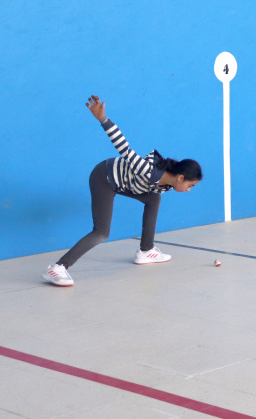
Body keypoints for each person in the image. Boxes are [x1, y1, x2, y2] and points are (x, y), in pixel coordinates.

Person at [42, 96, 202, 287]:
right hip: (104, 177)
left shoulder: (168, 184)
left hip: (125, 183)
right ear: (181, 178)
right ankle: (58, 268)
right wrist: (103, 119)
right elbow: (124, 147)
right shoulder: (148, 171)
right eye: (190, 185)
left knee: (153, 199)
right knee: (102, 232)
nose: (188, 190)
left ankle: (146, 251)